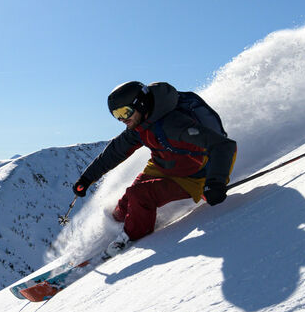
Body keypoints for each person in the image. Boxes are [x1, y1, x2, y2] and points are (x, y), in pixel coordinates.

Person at [73, 81, 237, 257]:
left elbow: (224, 146)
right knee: (126, 203)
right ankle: (118, 230)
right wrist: (86, 179)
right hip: (162, 166)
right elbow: (114, 153)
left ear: (140, 104)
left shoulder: (174, 124)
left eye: (125, 112)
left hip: (194, 175)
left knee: (141, 195)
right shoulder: (139, 125)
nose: (122, 119)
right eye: (116, 115)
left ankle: (131, 239)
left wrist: (215, 182)